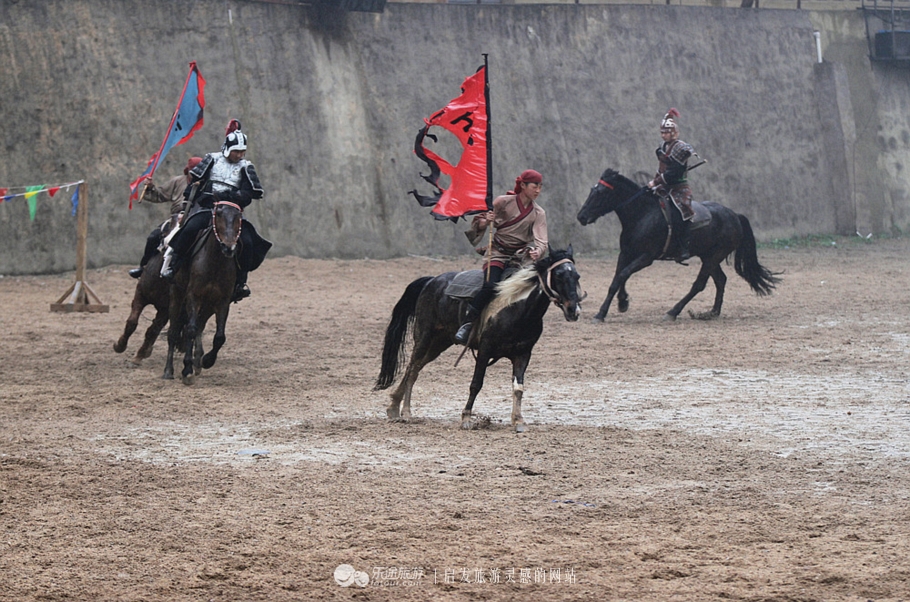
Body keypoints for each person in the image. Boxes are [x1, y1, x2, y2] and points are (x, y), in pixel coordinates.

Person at [160, 119, 272, 302]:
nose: (239, 155)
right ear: (228, 149)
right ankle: (174, 266)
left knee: (248, 242)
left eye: (242, 151)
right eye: (236, 151)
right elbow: (195, 183)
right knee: (189, 229)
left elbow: (252, 191)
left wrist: (235, 195)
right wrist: (192, 203)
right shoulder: (212, 159)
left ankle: (240, 282)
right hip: (209, 208)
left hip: (232, 212)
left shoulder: (246, 167)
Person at [454, 169, 548, 345]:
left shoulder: (538, 213)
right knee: (491, 286)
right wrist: (486, 221)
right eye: (535, 186)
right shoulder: (503, 202)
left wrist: (538, 251)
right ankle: (468, 323)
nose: (538, 191)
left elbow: (542, 240)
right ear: (523, 185)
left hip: (520, 258)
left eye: (540, 187)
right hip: (497, 253)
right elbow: (479, 222)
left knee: (530, 291)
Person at [127, 157, 203, 279]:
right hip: (177, 218)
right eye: (193, 171)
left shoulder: (208, 183)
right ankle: (143, 267)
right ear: (188, 170)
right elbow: (159, 195)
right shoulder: (178, 181)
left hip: (199, 217)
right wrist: (150, 187)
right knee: (153, 237)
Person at [647, 107, 696, 262]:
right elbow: (662, 169)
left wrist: (656, 181)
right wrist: (654, 184)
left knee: (681, 213)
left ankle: (683, 247)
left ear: (673, 132)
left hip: (679, 189)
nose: (663, 135)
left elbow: (673, 173)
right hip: (664, 187)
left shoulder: (681, 148)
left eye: (666, 132)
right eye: (662, 132)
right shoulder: (662, 148)